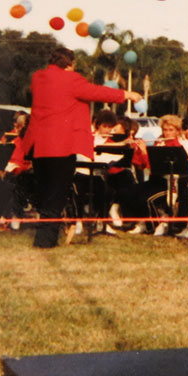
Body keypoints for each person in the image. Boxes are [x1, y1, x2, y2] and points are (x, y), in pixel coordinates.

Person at [23, 47, 141, 248]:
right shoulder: (71, 79)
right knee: (56, 193)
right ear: (69, 63)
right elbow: (97, 92)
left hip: (39, 145)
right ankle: (45, 241)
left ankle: (44, 236)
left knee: (45, 193)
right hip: (61, 146)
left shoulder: (38, 78)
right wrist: (127, 94)